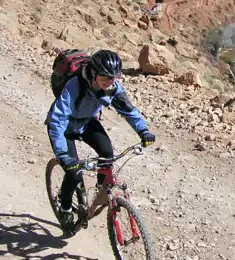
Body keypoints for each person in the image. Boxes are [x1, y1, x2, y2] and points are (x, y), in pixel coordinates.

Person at [46, 49, 155, 230]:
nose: (111, 82)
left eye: (114, 78)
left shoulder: (112, 87)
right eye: (106, 78)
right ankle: (64, 206)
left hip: (87, 121)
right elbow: (57, 119)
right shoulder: (75, 85)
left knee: (107, 154)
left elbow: (129, 110)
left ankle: (100, 189)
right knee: (73, 171)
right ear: (94, 73)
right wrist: (63, 154)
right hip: (64, 127)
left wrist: (143, 131)